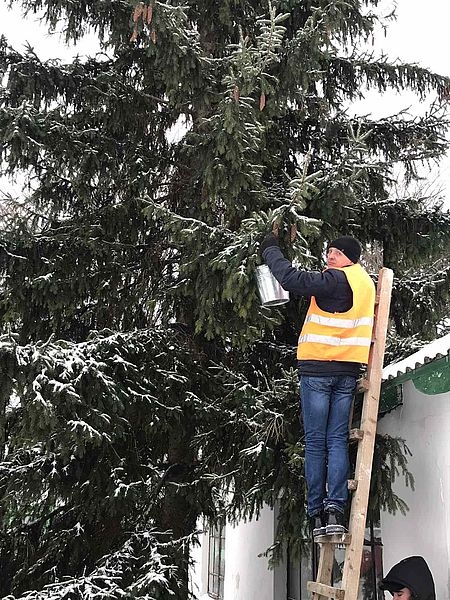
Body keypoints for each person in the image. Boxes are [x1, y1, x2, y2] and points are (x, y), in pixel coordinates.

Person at [260, 233, 375, 537]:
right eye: (328, 252)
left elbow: (289, 278)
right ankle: (335, 509)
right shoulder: (365, 283)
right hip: (347, 371)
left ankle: (316, 515)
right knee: (336, 440)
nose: (329, 257)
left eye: (336, 253)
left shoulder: (335, 280)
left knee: (315, 442)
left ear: (350, 257)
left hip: (318, 371)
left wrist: (271, 247)